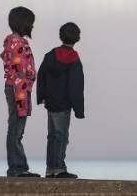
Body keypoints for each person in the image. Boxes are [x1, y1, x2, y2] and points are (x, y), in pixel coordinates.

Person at [37, 22, 85, 179]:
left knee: (52, 136)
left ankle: (50, 169)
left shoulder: (50, 55)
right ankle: (58, 168)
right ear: (77, 38)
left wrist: (41, 97)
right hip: (64, 105)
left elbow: (41, 76)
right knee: (61, 136)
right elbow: (76, 86)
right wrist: (79, 110)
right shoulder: (74, 59)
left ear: (60, 36)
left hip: (50, 103)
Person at [0, 6, 39, 178]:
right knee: (16, 130)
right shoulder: (19, 44)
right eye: (31, 23)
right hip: (19, 90)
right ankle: (17, 168)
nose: (32, 27)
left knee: (15, 129)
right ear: (24, 24)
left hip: (16, 88)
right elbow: (22, 71)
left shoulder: (10, 41)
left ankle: (18, 167)